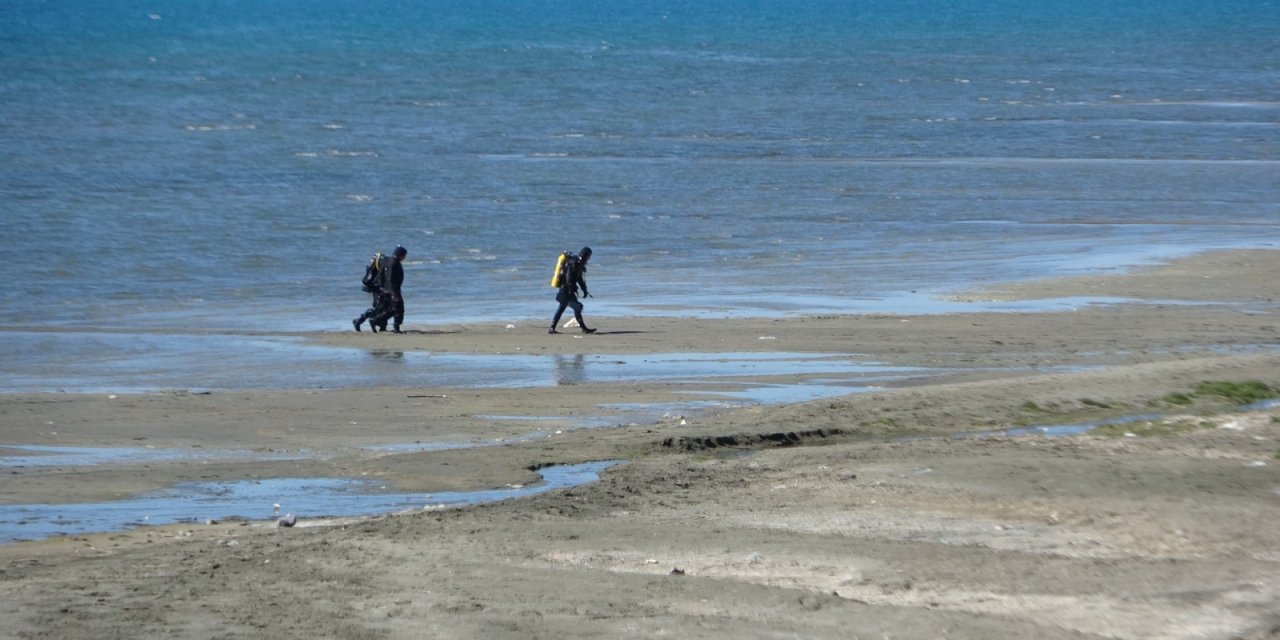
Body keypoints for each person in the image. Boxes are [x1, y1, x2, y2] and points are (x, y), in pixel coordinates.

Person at [549, 246, 596, 334]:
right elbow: (568, 278)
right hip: (566, 290)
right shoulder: (573, 263)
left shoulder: (580, 264)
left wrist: (584, 290)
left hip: (568, 290)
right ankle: (583, 328)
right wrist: (571, 288)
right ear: (585, 255)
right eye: (589, 256)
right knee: (578, 307)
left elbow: (580, 279)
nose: (589, 258)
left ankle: (552, 328)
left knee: (562, 308)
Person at [370, 245, 408, 333]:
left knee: (392, 309)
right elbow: (389, 279)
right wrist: (393, 293)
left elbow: (383, 275)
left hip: (388, 289)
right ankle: (377, 321)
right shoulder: (393, 263)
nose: (404, 258)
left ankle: (380, 322)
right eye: (404, 255)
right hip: (391, 289)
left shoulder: (389, 261)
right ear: (400, 255)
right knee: (398, 308)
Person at [352, 251, 387, 332]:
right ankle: (359, 321)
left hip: (377, 288)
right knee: (379, 307)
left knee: (381, 307)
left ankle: (382, 326)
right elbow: (374, 279)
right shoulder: (375, 267)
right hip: (377, 288)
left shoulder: (373, 266)